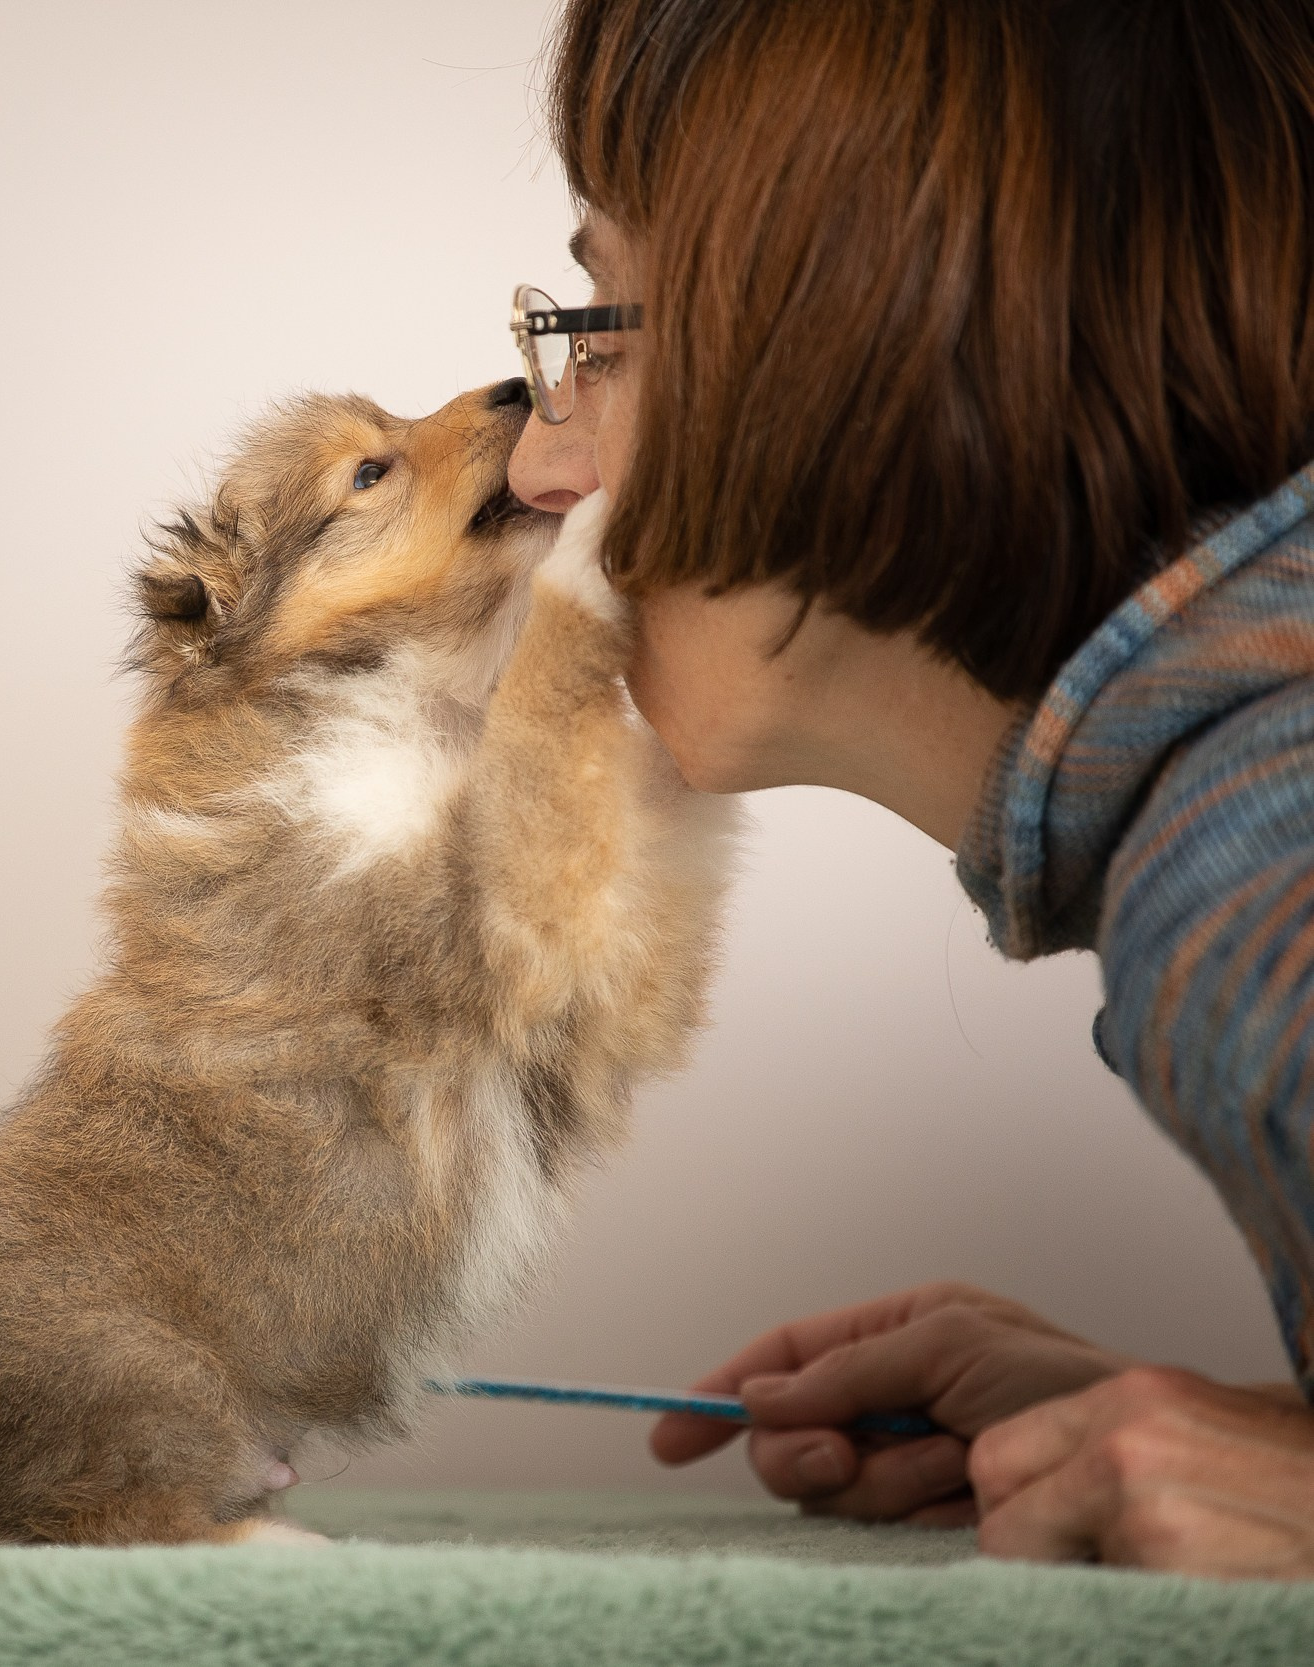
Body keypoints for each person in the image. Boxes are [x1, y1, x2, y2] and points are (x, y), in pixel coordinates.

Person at [502, 0, 1314, 1578]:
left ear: (844, 336)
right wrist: (1207, 1434)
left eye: (595, 333)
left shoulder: (1257, 875)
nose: (543, 475)